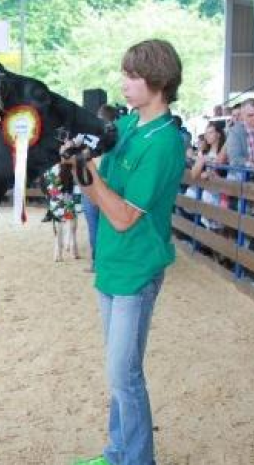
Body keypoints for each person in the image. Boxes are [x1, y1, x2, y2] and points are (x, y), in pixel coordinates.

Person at [69, 39, 186, 465]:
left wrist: (88, 174)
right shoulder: (131, 127)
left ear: (157, 81)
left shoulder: (165, 142)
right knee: (120, 375)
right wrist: (79, 163)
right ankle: (117, 453)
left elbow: (119, 215)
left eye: (132, 76)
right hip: (112, 264)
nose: (124, 84)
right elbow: (98, 185)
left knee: (125, 374)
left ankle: (137, 460)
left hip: (138, 268)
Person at [81, 104, 119, 271]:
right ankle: (110, 262)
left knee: (94, 226)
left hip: (92, 186)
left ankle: (97, 263)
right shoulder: (119, 138)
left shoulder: (90, 137)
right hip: (111, 187)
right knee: (110, 227)